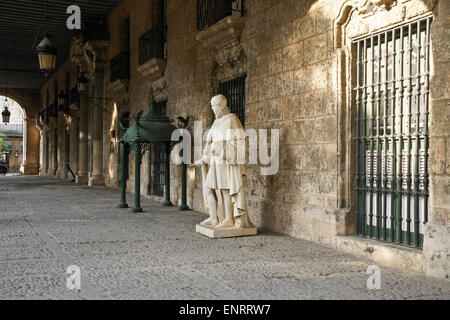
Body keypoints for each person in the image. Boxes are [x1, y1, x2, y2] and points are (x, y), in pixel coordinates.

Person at [200, 95, 253, 229]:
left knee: (225, 189)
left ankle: (229, 219)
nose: (213, 110)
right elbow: (210, 141)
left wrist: (222, 147)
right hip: (215, 160)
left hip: (227, 160)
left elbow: (240, 141)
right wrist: (205, 155)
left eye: (216, 106)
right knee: (211, 188)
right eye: (212, 107)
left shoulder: (232, 119)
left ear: (222, 105)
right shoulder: (216, 122)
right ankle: (215, 217)